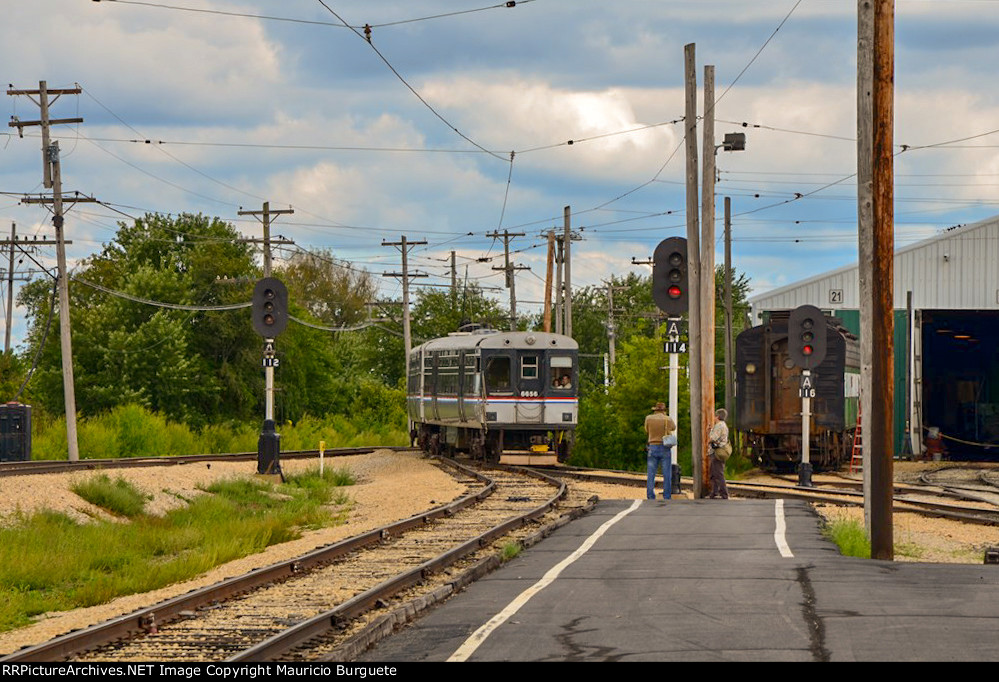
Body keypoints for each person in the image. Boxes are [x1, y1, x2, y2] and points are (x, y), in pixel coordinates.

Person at [644, 402, 676, 500]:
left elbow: (646, 430)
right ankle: (667, 495)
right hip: (665, 447)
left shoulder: (648, 418)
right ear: (664, 410)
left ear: (655, 410)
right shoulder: (668, 419)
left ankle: (650, 495)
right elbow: (674, 428)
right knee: (666, 473)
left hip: (652, 446)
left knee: (651, 473)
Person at [708, 408, 730, 499]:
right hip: (720, 451)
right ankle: (715, 492)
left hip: (717, 452)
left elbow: (713, 438)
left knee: (718, 473)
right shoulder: (723, 425)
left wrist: (709, 431)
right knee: (714, 472)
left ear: (717, 416)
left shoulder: (719, 426)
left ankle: (724, 493)